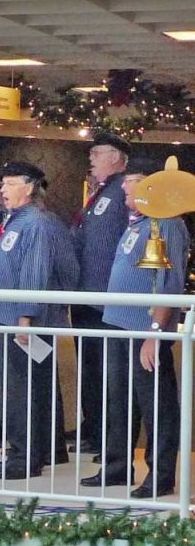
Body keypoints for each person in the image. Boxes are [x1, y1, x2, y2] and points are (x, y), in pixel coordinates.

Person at [83, 156, 188, 499]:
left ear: (148, 186)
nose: (124, 188)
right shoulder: (137, 223)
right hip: (118, 324)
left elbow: (168, 282)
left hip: (144, 329)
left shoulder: (165, 223)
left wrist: (154, 333)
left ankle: (161, 475)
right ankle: (116, 467)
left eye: (131, 182)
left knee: (156, 404)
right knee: (119, 400)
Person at [0, 161, 57, 480]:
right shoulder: (13, 220)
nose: (3, 190)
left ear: (29, 186)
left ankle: (26, 456)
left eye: (10, 184)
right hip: (0, 315)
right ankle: (17, 449)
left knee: (20, 389)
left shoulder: (34, 223)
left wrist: (26, 315)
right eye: (2, 184)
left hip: (15, 318)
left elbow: (34, 271)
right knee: (8, 389)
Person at [71, 131, 130, 455]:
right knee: (90, 369)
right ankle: (93, 425)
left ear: (116, 156)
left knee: (107, 372)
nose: (90, 158)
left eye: (97, 153)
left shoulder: (122, 191)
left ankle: (107, 434)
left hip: (105, 298)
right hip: (87, 295)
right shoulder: (101, 192)